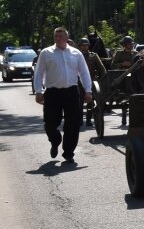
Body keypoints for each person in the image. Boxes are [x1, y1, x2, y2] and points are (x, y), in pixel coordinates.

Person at [33, 27, 93, 163]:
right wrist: (38, 92)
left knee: (73, 124)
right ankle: (55, 141)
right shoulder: (46, 53)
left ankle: (68, 152)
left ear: (67, 37)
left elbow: (84, 73)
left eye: (61, 36)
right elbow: (38, 73)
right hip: (52, 93)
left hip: (71, 92)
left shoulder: (76, 53)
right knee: (50, 124)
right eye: (56, 36)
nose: (58, 38)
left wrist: (88, 90)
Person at [78, 37, 106, 126]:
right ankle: (80, 120)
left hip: (91, 81)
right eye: (83, 45)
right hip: (79, 82)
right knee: (79, 102)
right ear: (80, 46)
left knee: (90, 101)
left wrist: (101, 79)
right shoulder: (76, 55)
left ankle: (89, 120)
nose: (84, 47)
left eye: (86, 45)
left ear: (88, 46)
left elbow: (102, 69)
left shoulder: (93, 56)